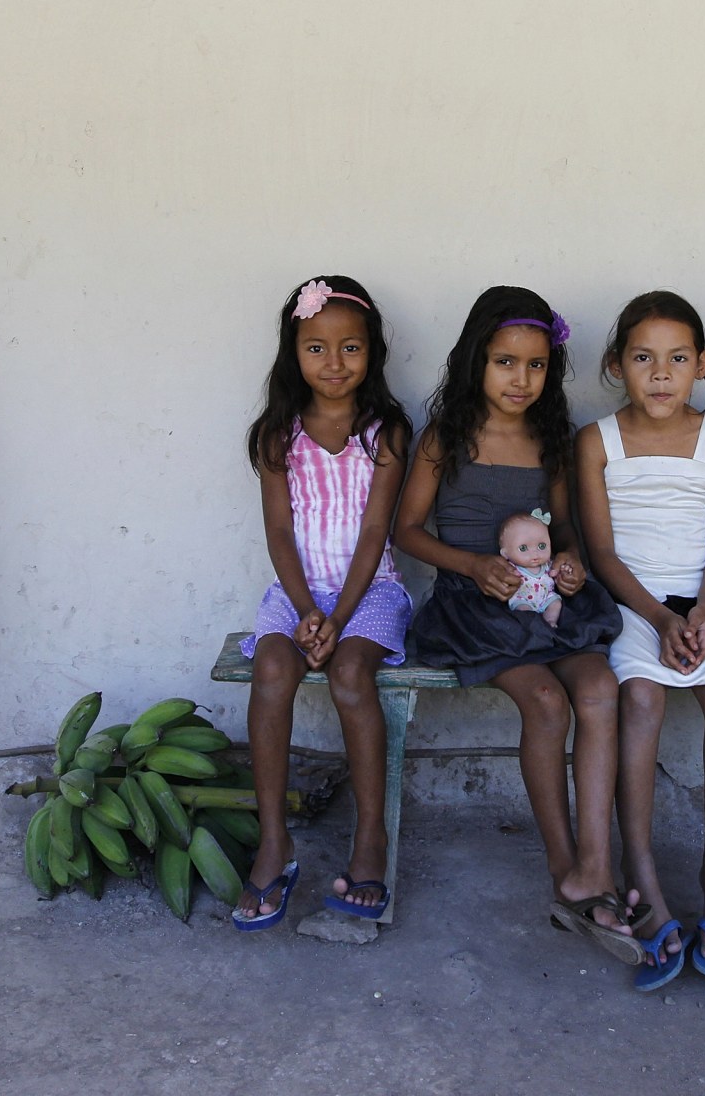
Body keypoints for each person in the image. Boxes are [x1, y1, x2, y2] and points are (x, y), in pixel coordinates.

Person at [393, 286, 638, 962]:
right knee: (546, 702)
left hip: (547, 603)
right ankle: (570, 872)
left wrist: (568, 565)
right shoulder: (449, 436)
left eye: (535, 365)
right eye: (506, 362)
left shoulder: (551, 440)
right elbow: (406, 530)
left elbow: (572, 540)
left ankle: (597, 863)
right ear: (477, 361)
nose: (520, 379)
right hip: (475, 607)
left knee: (598, 690)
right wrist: (473, 566)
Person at [574, 291, 705, 992]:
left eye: (678, 358)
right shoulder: (598, 442)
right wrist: (660, 620)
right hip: (630, 603)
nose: (661, 373)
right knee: (645, 699)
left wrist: (702, 616)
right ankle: (644, 880)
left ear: (702, 365)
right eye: (644, 358)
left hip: (702, 604)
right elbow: (601, 552)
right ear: (617, 365)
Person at [236, 277, 413, 929]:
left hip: (372, 592)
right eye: (317, 347)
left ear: (373, 352)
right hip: (297, 591)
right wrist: (309, 610)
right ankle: (275, 840)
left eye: (349, 348)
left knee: (348, 673)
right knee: (273, 669)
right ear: (294, 352)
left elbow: (374, 534)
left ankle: (371, 837)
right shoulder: (278, 436)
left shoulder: (384, 432)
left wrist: (337, 620)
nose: (334, 363)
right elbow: (280, 533)